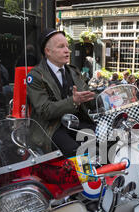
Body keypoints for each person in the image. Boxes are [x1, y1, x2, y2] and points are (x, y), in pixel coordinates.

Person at [26, 29, 96, 157]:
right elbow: (44, 110)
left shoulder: (74, 71)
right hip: (52, 128)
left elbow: (89, 98)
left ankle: (107, 175)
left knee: (107, 141)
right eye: (61, 47)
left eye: (67, 46)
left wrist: (109, 97)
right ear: (48, 52)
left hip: (77, 123)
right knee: (77, 152)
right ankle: (86, 176)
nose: (67, 50)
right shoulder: (36, 76)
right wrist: (73, 101)